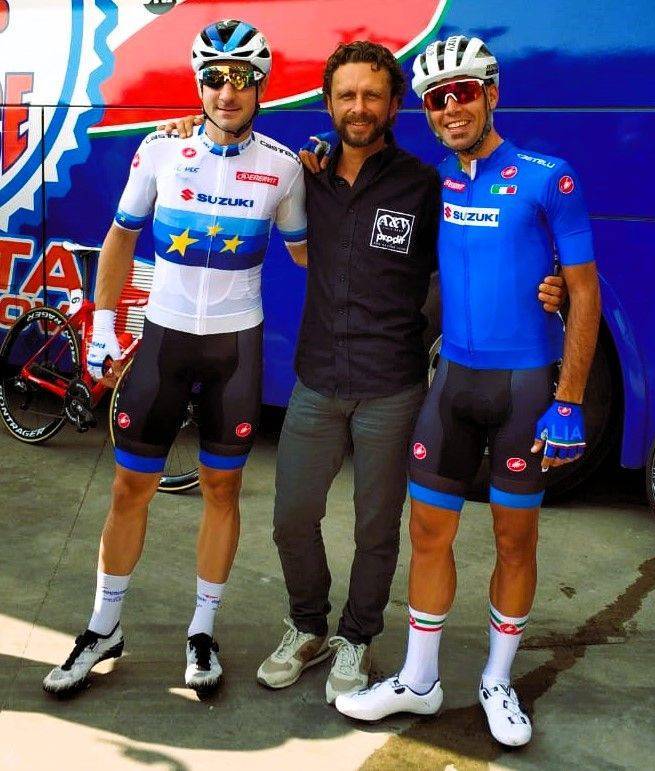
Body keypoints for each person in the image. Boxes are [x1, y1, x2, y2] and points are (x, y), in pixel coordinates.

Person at [164, 40, 564, 705]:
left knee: (376, 529)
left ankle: (356, 636)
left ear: (394, 104)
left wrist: (550, 284)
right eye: (346, 95)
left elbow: (485, 245)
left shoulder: (424, 184)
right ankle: (307, 625)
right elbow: (228, 156)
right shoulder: (307, 175)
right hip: (316, 381)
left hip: (392, 387)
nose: (358, 107)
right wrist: (183, 128)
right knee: (291, 516)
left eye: (372, 95)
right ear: (328, 104)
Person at [334, 35, 601, 748]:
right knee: (428, 533)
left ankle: (496, 679)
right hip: (451, 382)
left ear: (491, 95)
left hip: (523, 388)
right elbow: (360, 178)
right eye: (435, 99)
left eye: (462, 93)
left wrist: (569, 400)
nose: (450, 108)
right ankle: (419, 680)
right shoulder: (435, 182)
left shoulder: (548, 178)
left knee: (515, 539)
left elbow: (583, 292)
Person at [42, 19, 307, 695]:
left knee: (222, 490)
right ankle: (103, 626)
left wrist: (333, 179)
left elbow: (310, 254)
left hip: (235, 351)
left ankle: (202, 632)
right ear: (198, 84)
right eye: (214, 77)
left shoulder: (283, 167)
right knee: (128, 488)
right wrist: (104, 325)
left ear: (261, 86)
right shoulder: (161, 149)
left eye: (241, 77)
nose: (227, 91)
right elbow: (120, 236)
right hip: (163, 343)